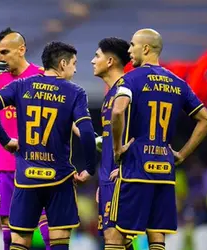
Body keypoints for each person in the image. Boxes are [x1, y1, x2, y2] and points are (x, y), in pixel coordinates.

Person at [0, 41, 97, 250]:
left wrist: (6, 140)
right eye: (74, 63)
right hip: (59, 179)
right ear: (62, 64)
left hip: (26, 178)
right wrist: (89, 168)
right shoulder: (75, 92)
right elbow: (87, 132)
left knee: (19, 242)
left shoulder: (22, 85)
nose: (75, 69)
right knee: (58, 242)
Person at [106, 29, 207, 250]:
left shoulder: (130, 79)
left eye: (133, 44)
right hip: (164, 171)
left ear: (145, 48)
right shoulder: (178, 83)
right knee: (157, 239)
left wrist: (117, 149)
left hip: (135, 169)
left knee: (116, 236)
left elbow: (117, 111)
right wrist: (182, 154)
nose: (129, 50)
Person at [0, 28, 50, 250]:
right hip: (4, 163)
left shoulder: (42, 76)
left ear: (21, 50)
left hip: (36, 162)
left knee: (48, 228)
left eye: (4, 52)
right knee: (8, 231)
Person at [90, 37, 133, 250]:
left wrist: (126, 169)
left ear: (109, 61)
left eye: (96, 56)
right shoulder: (111, 94)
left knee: (114, 239)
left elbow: (140, 135)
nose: (92, 61)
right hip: (108, 178)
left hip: (121, 178)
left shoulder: (126, 91)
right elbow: (108, 141)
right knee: (118, 241)